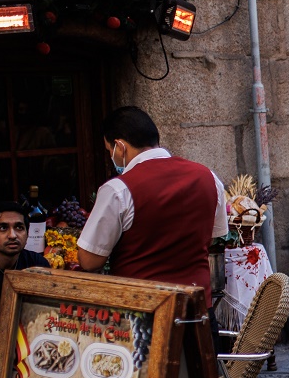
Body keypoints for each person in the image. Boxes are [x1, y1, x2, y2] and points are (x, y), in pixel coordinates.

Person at [77, 107, 227, 304]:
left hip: (143, 312)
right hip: (197, 309)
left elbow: (89, 260)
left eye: (109, 151)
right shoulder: (209, 177)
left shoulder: (118, 190)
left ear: (119, 146)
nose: (111, 157)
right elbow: (212, 237)